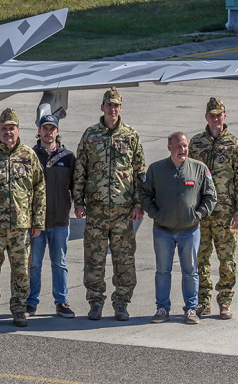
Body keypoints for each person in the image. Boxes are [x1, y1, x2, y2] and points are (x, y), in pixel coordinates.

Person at [73, 87, 145, 321]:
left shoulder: (131, 135)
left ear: (120, 108)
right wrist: (78, 201)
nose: (112, 109)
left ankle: (122, 303)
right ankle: (95, 302)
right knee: (94, 259)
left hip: (123, 211)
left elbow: (139, 172)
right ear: (102, 107)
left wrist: (138, 204)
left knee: (124, 260)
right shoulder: (90, 135)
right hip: (96, 210)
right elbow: (80, 170)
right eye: (109, 105)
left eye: (116, 106)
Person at [0, 108, 45, 328]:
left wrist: (38, 221)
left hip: (21, 226)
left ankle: (19, 309)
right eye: (4, 128)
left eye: (11, 128)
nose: (8, 132)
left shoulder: (29, 156)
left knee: (21, 270)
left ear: (18, 130)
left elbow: (39, 188)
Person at [141, 132, 217, 325]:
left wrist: (198, 214)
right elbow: (145, 194)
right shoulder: (156, 169)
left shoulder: (199, 169)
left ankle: (191, 309)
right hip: (162, 230)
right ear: (169, 148)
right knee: (162, 271)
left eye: (184, 146)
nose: (181, 150)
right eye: (177, 146)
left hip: (189, 231)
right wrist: (155, 213)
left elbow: (210, 196)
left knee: (190, 271)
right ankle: (162, 308)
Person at [189, 97, 238, 320]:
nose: (215, 119)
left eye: (219, 115)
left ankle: (225, 301)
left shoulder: (234, 145)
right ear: (206, 117)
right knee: (200, 259)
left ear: (225, 117)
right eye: (211, 115)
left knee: (227, 259)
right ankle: (203, 302)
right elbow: (188, 176)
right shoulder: (196, 144)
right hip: (201, 212)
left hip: (226, 213)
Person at [27, 114, 75, 318]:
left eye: (51, 128)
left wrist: (78, 205)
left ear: (57, 131)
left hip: (60, 221)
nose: (48, 132)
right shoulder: (29, 155)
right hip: (36, 223)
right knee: (35, 264)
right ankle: (31, 302)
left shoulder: (67, 157)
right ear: (38, 131)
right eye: (44, 128)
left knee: (59, 263)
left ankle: (61, 301)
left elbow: (75, 186)